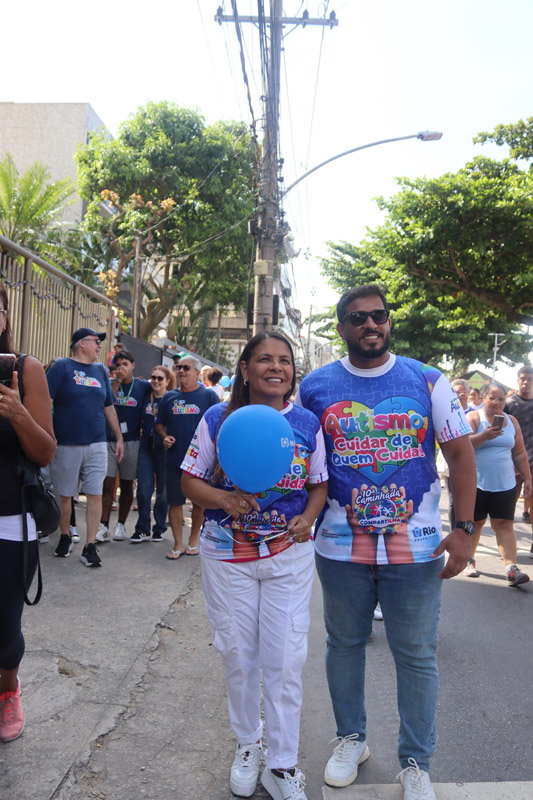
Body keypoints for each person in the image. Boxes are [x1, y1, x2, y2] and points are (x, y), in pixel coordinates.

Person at [297, 285, 476, 800]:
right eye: (358, 318)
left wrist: (464, 532)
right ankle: (351, 739)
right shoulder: (316, 386)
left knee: (416, 655)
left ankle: (416, 762)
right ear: (342, 327)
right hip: (338, 547)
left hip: (416, 549)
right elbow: (300, 460)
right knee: (344, 645)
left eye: (378, 316)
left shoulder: (428, 379)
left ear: (389, 323)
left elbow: (461, 456)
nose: (370, 325)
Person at [181, 331, 328, 800]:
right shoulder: (217, 418)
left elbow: (319, 484)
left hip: (287, 555)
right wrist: (224, 497)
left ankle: (282, 766)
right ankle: (248, 745)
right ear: (244, 369)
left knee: (285, 660)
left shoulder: (307, 423)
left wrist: (307, 518)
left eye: (284, 361)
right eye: (264, 359)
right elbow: (189, 480)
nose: (276, 368)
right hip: (228, 555)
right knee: (238, 656)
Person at [0, 284, 56, 742]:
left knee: (4, 631)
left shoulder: (23, 369)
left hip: (9, 519)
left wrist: (18, 413)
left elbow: (45, 451)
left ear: (4, 317)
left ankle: (9, 689)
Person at [46, 328, 124, 567]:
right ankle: (66, 536)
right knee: (66, 495)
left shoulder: (100, 370)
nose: (100, 346)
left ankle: (89, 546)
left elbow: (108, 407)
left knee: (95, 494)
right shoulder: (61, 368)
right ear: (81, 344)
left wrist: (118, 438)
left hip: (97, 442)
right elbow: (46, 402)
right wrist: (48, 434)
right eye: (95, 341)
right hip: (67, 443)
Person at [465, 382, 531, 584]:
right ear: (483, 398)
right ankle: (469, 560)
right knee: (475, 523)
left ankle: (511, 568)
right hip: (476, 482)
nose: (497, 402)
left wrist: (528, 478)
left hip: (506, 483)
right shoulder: (474, 418)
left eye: (501, 398)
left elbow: (519, 452)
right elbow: (463, 446)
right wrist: (484, 436)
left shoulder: (511, 421)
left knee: (504, 523)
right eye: (492, 397)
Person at [155, 355, 219, 559]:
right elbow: (159, 423)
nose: (181, 371)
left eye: (186, 368)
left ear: (197, 373)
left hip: (201, 461)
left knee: (199, 503)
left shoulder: (208, 397)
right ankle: (178, 544)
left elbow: (220, 422)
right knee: (174, 502)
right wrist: (164, 437)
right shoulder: (169, 397)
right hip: (175, 460)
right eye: (178, 367)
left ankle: (193, 540)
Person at [96, 349, 151, 543]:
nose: (122, 368)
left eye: (125, 364)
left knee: (127, 484)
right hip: (110, 439)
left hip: (132, 440)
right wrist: (117, 381)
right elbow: (105, 401)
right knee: (108, 483)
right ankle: (103, 525)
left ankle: (120, 524)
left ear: (133, 365)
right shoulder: (111, 384)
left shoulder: (142, 386)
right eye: (118, 365)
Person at [132, 365, 174, 543]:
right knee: (143, 490)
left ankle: (159, 527)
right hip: (146, 447)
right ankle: (142, 528)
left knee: (163, 493)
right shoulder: (145, 395)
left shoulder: (172, 399)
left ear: (167, 381)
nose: (156, 381)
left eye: (160, 378)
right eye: (153, 377)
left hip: (165, 450)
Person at [505, 365, 533, 554]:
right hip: (511, 462)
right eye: (522, 378)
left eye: (529, 379)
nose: (526, 382)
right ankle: (507, 546)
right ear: (517, 380)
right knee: (507, 508)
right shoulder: (509, 403)